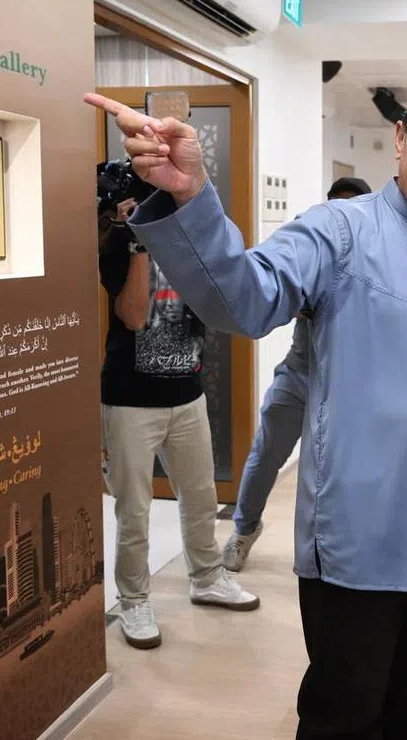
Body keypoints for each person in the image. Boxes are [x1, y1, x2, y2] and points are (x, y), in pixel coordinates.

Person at [85, 60, 407, 739]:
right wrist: (193, 197)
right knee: (345, 709)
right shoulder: (338, 229)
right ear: (400, 138)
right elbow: (242, 298)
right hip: (359, 528)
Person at [98, 193, 260, 652]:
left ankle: (207, 578)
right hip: (130, 400)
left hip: (187, 395)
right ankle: (134, 600)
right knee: (135, 510)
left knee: (201, 495)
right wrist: (140, 246)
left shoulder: (193, 249)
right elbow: (132, 315)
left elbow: (221, 304)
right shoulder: (119, 247)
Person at [222, 177, 373, 573]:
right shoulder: (314, 243)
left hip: (353, 383)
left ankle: (349, 548)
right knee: (266, 454)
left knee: (349, 469)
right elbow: (277, 295)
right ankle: (243, 529)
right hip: (301, 373)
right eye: (336, 207)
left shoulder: (378, 256)